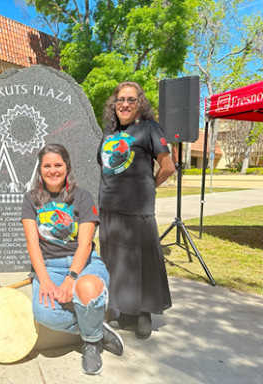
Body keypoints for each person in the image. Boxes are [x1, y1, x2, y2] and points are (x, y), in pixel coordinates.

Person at [21, 144, 124, 376]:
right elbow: (32, 243)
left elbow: (85, 244)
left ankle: (90, 345)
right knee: (46, 314)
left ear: (67, 166)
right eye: (47, 165)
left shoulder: (82, 196)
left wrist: (71, 279)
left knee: (86, 288)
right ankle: (96, 331)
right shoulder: (31, 199)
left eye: (58, 164)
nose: (53, 170)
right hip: (49, 266)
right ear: (40, 169)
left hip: (83, 263)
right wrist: (44, 279)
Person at [98, 81, 175, 339]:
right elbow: (105, 166)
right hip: (110, 207)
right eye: (120, 99)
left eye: (131, 99)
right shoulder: (108, 133)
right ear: (114, 104)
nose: (125, 104)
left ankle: (144, 313)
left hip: (138, 207)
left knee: (141, 260)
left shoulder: (150, 128)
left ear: (139, 104)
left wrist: (149, 187)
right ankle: (122, 310)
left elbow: (168, 167)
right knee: (116, 261)